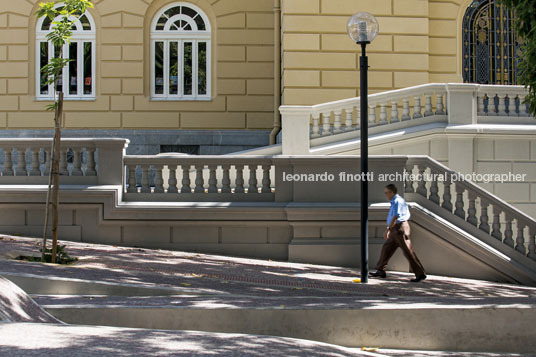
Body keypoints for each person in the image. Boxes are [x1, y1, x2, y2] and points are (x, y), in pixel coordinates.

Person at [369, 184, 427, 282]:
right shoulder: (396, 201)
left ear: (392, 192)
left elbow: (396, 216)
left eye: (387, 192)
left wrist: (388, 229)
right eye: (385, 193)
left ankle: (420, 273)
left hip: (399, 229)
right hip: (396, 229)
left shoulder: (397, 201)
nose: (386, 195)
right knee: (387, 248)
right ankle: (380, 270)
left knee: (408, 251)